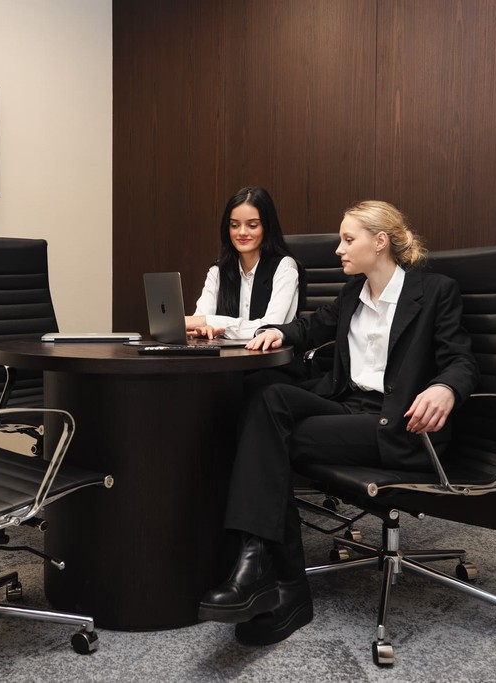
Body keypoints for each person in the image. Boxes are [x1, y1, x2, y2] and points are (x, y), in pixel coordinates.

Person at [197, 200, 479, 646]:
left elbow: (461, 360)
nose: (338, 250)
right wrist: (279, 332)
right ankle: (267, 572)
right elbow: (310, 327)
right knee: (267, 395)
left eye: (348, 240)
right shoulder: (353, 294)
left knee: (266, 440)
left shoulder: (434, 291)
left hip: (400, 425)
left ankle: (270, 576)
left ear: (380, 242)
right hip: (350, 409)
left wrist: (445, 388)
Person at [184, 186, 304, 341]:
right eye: (234, 225)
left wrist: (211, 322)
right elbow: (198, 319)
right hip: (226, 355)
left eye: (252, 225)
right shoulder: (218, 270)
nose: (241, 232)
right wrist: (203, 328)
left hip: (271, 355)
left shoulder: (284, 267)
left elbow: (269, 328)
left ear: (267, 227)